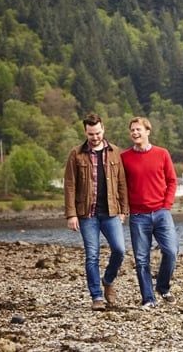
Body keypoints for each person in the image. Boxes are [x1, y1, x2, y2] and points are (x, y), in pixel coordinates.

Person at [63, 113, 129, 311]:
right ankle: (97, 297)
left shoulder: (115, 152)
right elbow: (69, 185)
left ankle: (108, 280)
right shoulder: (76, 154)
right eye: (91, 134)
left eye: (98, 133)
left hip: (111, 212)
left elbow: (121, 182)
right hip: (87, 214)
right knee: (92, 255)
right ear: (85, 132)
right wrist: (71, 214)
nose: (95, 137)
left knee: (120, 250)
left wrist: (124, 210)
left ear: (103, 130)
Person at [121, 116, 179, 309]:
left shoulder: (162, 154)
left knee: (171, 251)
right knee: (141, 259)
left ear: (147, 131)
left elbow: (172, 180)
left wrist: (167, 205)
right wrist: (124, 209)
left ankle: (163, 287)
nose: (135, 133)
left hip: (161, 213)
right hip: (138, 216)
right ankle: (148, 299)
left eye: (138, 129)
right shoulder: (125, 158)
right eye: (132, 130)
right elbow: (120, 185)